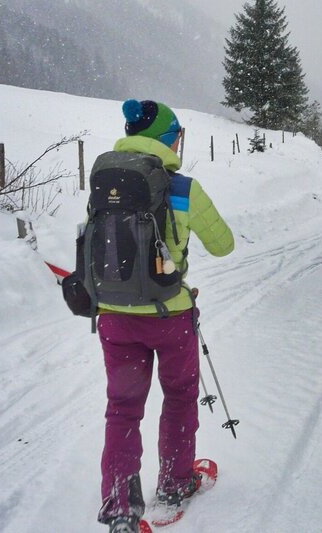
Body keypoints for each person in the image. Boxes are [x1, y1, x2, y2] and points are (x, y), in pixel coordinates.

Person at [95, 99, 234, 532]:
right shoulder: (182, 188)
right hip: (169, 317)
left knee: (122, 408)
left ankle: (120, 509)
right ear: (169, 139)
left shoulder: (104, 180)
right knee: (178, 397)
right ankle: (175, 483)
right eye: (177, 134)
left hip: (115, 318)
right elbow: (223, 244)